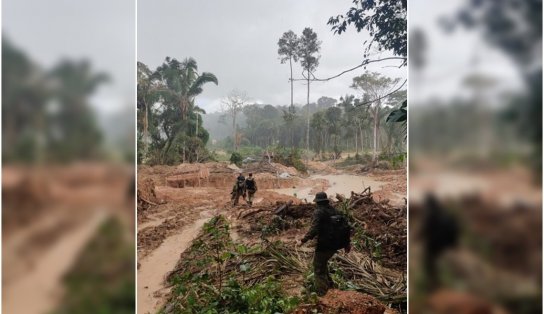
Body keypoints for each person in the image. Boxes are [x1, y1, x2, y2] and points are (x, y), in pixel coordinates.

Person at [300, 192, 351, 296]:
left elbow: (314, 229)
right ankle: (331, 288)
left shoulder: (319, 212)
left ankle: (323, 294)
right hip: (335, 245)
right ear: (326, 201)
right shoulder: (335, 211)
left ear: (317, 202)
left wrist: (303, 240)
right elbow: (346, 228)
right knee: (323, 265)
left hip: (324, 245)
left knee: (318, 269)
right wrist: (347, 244)